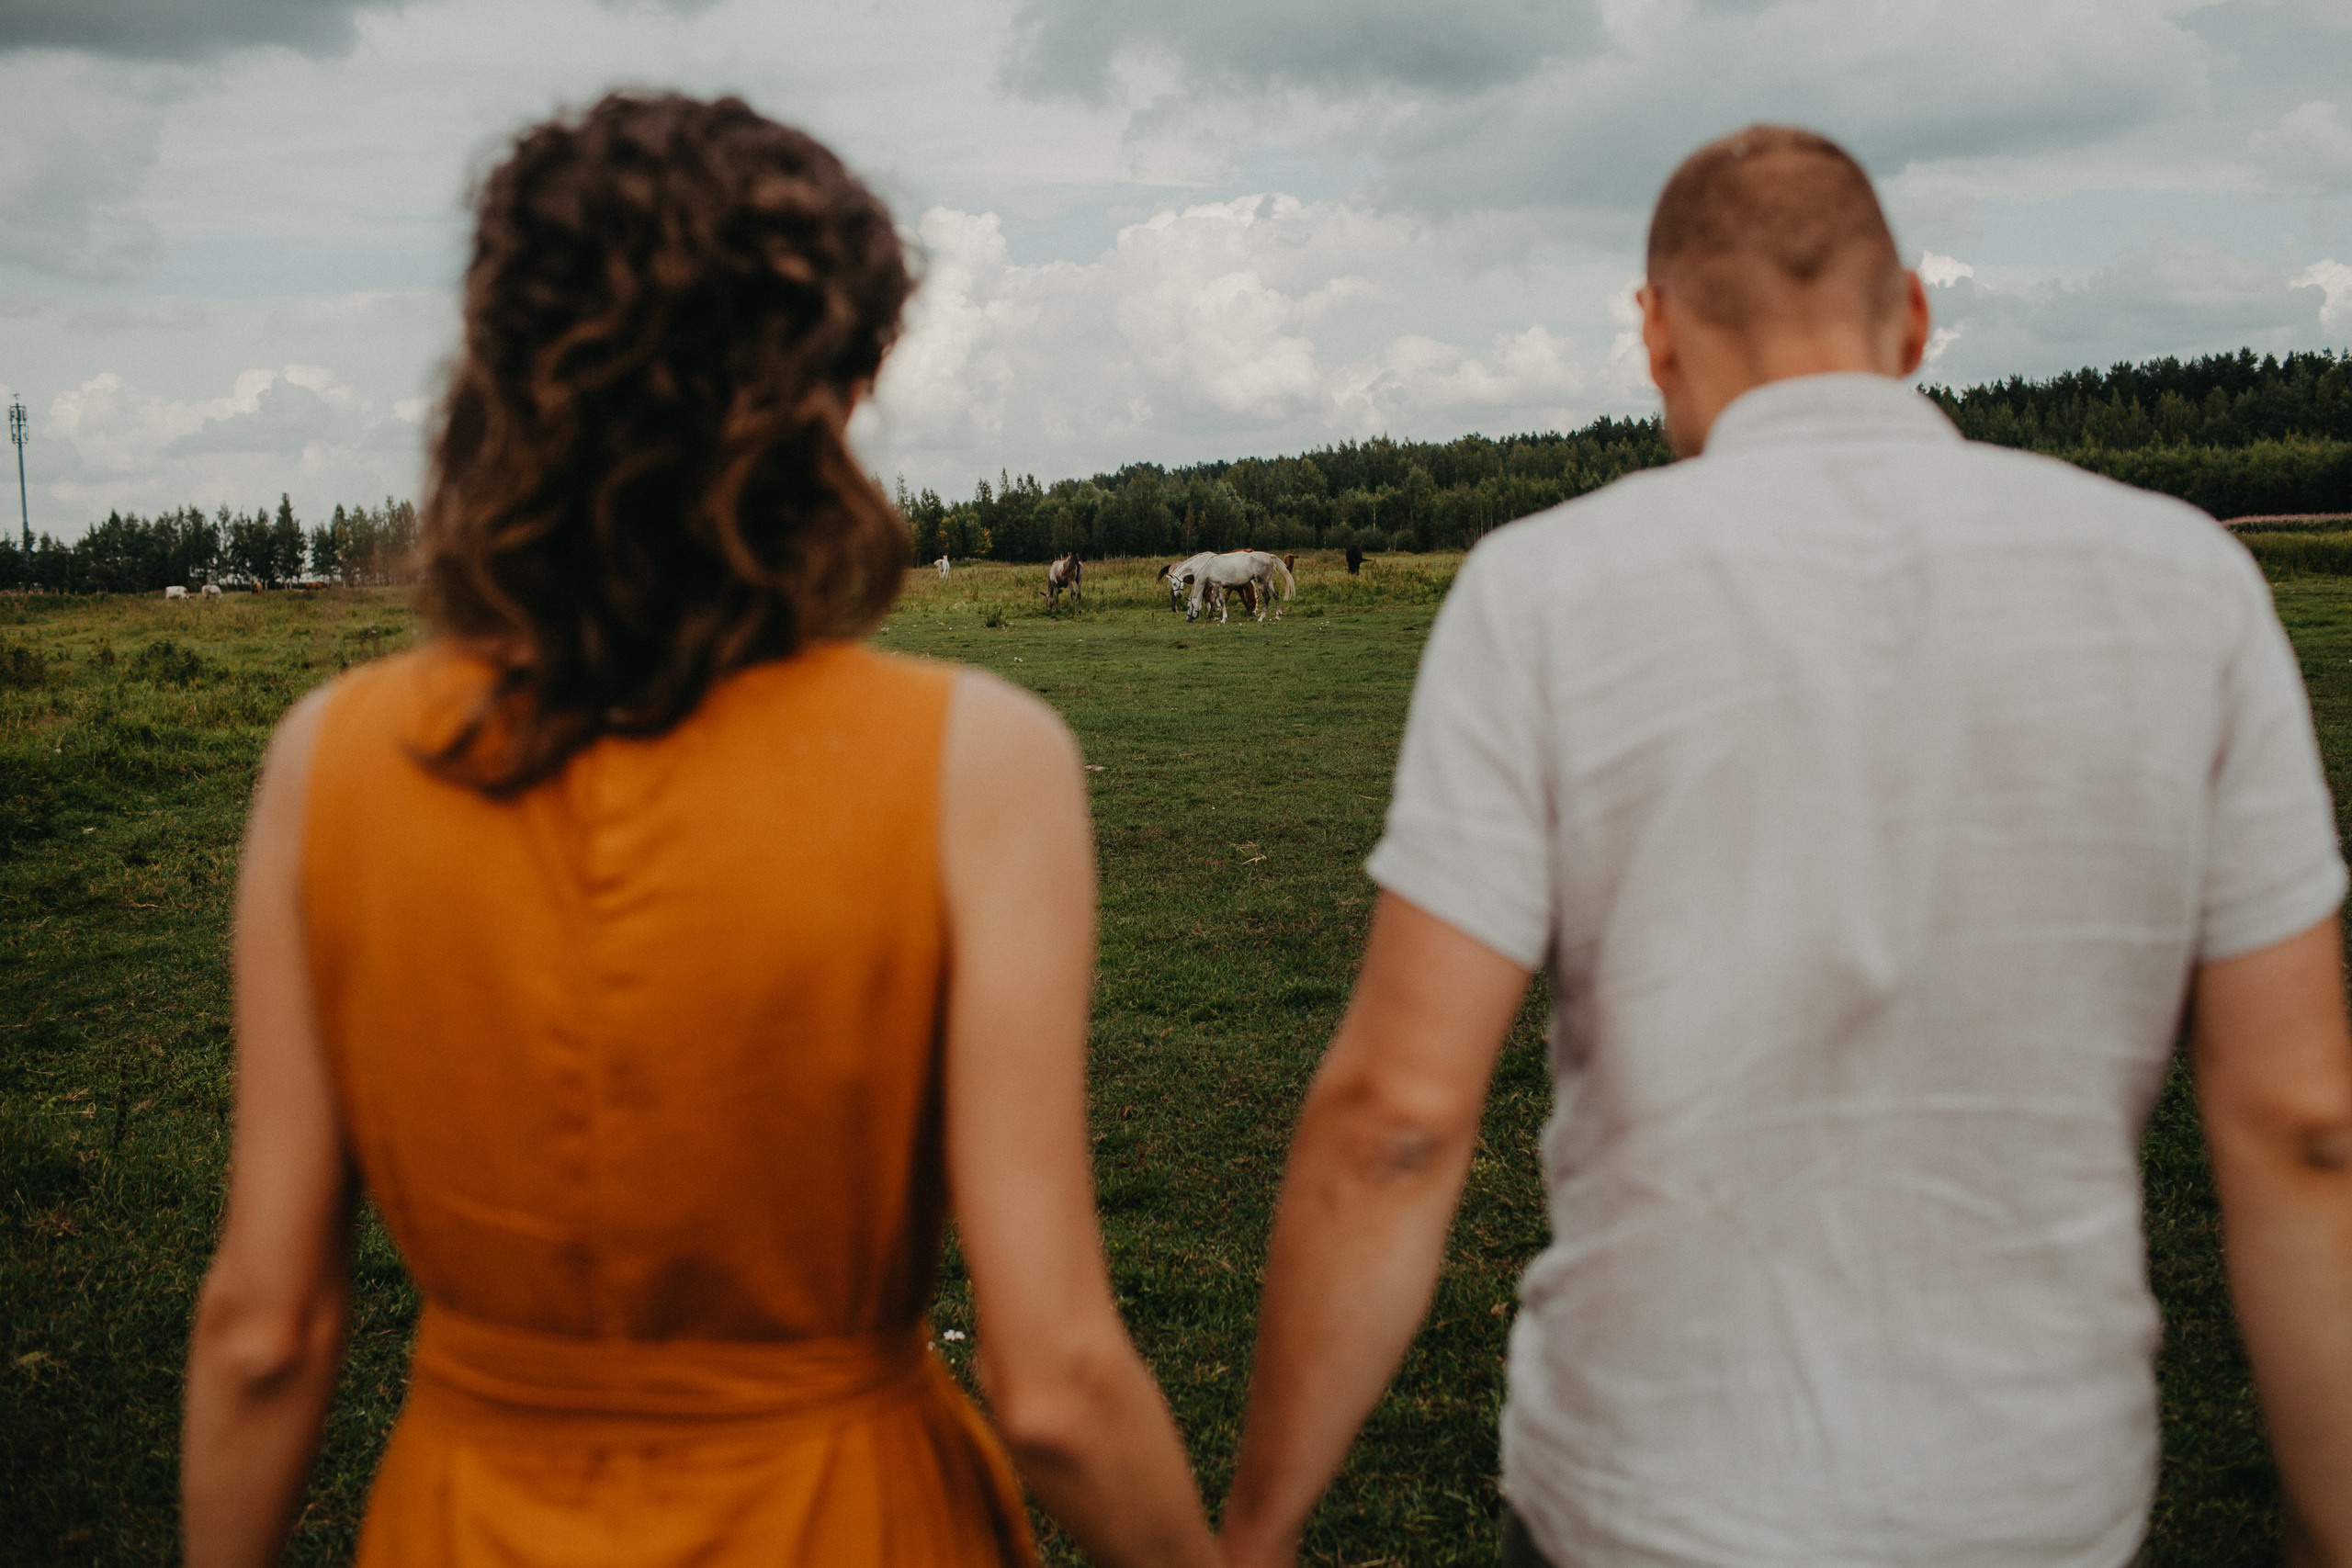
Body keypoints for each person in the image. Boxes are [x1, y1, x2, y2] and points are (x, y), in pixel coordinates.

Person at [1217, 125, 2352, 1568]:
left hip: (1643, 1495)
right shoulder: (2193, 587)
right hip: (2038, 1495)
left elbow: (1397, 1119)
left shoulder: (1544, 594)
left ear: (1655, 335)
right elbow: (2303, 1127)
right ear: (1917, 317)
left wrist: (1249, 1534)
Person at [181, 94, 1217, 1568]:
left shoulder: (329, 763)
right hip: (851, 1518)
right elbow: (1053, 1385)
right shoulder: (981, 765)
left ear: (509, 376)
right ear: (835, 394)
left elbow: (263, 1330)